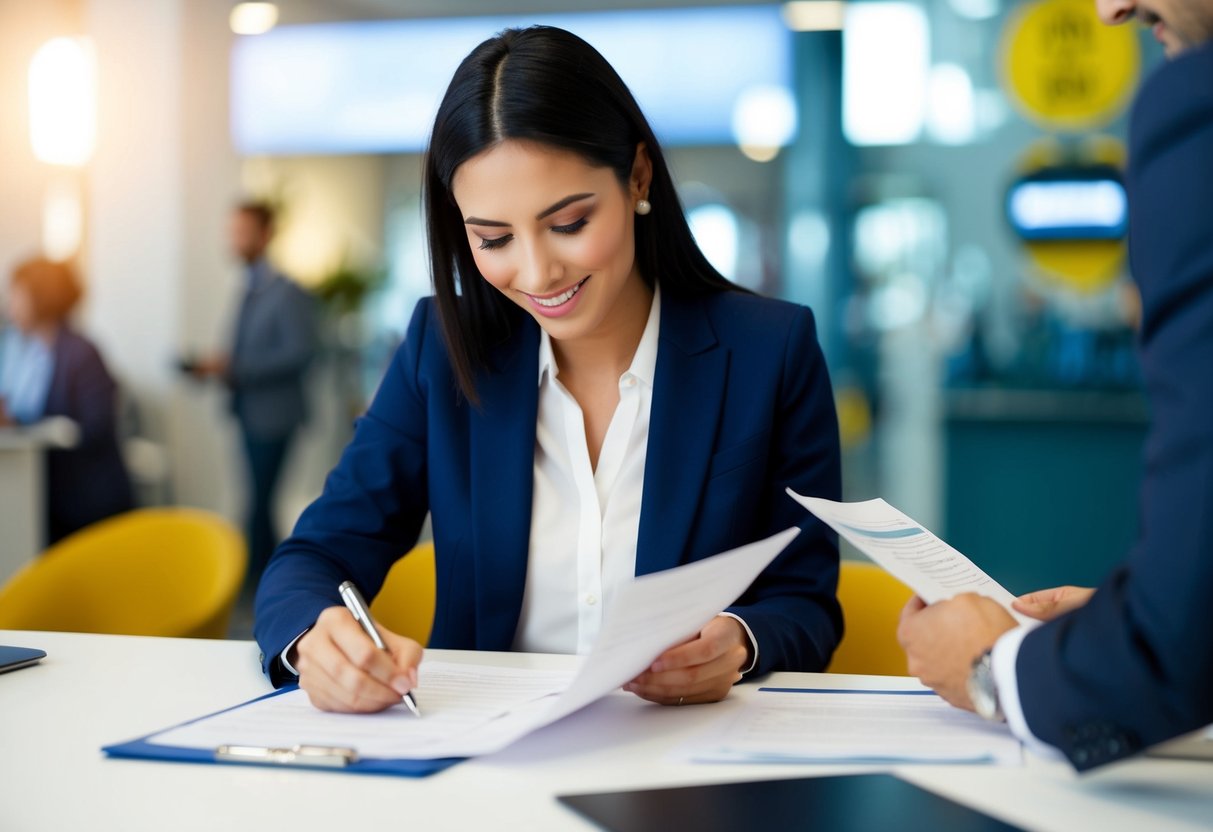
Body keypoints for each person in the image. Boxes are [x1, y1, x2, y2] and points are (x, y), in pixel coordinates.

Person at [254, 26, 842, 713]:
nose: (536, 272)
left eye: (567, 223)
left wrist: (740, 643)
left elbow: (803, 599)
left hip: (683, 755)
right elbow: (313, 558)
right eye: (493, 238)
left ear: (638, 177)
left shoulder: (770, 350)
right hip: (486, 758)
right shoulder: (442, 349)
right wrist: (314, 640)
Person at [897, 0, 1213, 770]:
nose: (1110, 10)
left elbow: (1172, 641)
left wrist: (992, 671)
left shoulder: (1191, 114)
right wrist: (1124, 623)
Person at [189, 202, 317, 593]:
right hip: (246, 410)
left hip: (274, 414)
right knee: (257, 500)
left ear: (265, 234)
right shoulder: (249, 287)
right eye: (233, 231)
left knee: (260, 502)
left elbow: (299, 352)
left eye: (243, 231)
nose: (235, 240)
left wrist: (236, 368)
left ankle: (262, 583)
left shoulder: (287, 291)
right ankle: (266, 581)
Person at [0, 257, 133, 543]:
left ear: (40, 298)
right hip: (45, 492)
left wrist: (40, 428)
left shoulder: (81, 352)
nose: (10, 307)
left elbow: (97, 425)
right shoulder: (28, 353)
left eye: (16, 296)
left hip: (86, 499)